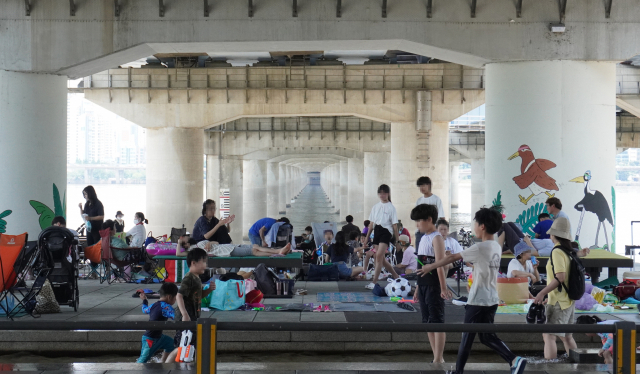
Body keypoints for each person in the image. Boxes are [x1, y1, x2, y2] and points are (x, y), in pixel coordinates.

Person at [419, 207, 528, 374]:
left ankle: (458, 372)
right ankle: (514, 359)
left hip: (478, 300)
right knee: (486, 336)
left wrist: (430, 266)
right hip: (492, 299)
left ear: (482, 226)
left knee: (466, 338)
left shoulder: (480, 247)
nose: (474, 226)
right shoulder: (496, 247)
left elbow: (451, 258)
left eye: (475, 223)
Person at [533, 217, 590, 360]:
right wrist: (580, 253)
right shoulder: (568, 251)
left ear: (553, 235)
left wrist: (542, 293)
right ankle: (576, 363)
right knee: (567, 336)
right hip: (569, 300)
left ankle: (550, 367)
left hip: (558, 301)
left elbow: (560, 277)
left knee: (549, 336)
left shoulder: (557, 252)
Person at [410, 204, 451, 364]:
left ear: (429, 219)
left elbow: (440, 264)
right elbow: (422, 266)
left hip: (434, 285)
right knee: (428, 322)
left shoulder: (437, 238)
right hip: (424, 285)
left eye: (419, 221)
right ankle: (436, 357)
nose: (417, 224)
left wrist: (443, 288)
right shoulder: (422, 238)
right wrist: (418, 287)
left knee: (437, 322)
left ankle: (439, 359)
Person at [166, 248, 214, 363]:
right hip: (186, 317)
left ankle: (197, 366)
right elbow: (179, 296)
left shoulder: (197, 278)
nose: (205, 265)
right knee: (181, 345)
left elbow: (197, 297)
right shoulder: (189, 278)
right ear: (193, 263)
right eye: (203, 262)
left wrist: (208, 291)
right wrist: (184, 314)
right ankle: (166, 365)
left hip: (193, 316)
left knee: (193, 343)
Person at [364, 184, 400, 290]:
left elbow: (394, 226)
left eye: (384, 193)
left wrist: (397, 241)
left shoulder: (391, 207)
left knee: (379, 256)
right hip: (377, 230)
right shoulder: (375, 206)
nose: (382, 195)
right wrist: (367, 237)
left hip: (386, 232)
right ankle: (396, 276)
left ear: (388, 194)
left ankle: (374, 282)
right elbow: (371, 223)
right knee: (381, 259)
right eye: (380, 193)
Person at [137, 283, 179, 363]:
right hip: (150, 339)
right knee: (142, 360)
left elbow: (144, 309)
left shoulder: (154, 305)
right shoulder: (166, 307)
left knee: (171, 345)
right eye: (175, 298)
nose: (175, 300)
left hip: (159, 337)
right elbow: (176, 317)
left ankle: (162, 362)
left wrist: (144, 300)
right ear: (169, 297)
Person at [415, 177, 445, 246]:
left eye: (423, 185)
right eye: (420, 186)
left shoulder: (436, 199)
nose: (421, 188)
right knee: (418, 254)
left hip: (433, 232)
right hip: (420, 232)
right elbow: (416, 218)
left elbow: (441, 217)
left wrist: (441, 231)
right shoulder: (419, 201)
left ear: (429, 185)